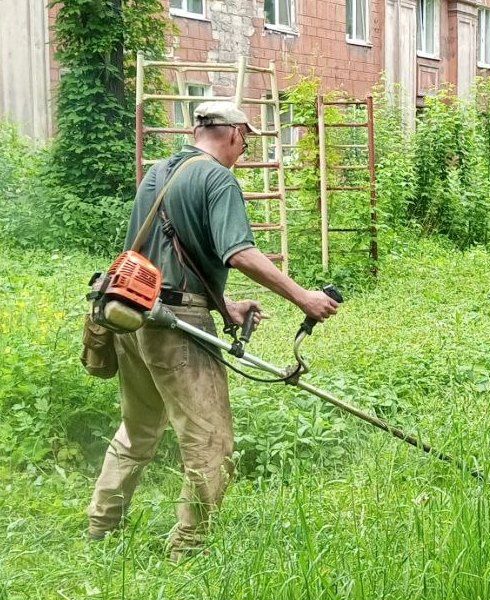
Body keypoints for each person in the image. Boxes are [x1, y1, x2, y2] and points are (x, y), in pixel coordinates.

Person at [86, 101, 339, 560]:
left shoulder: (158, 173)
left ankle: (102, 526)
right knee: (211, 444)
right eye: (247, 141)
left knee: (138, 430)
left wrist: (224, 304)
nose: (244, 151)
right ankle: (189, 549)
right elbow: (239, 253)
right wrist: (304, 297)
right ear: (235, 134)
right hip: (176, 329)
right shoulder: (218, 178)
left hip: (131, 315)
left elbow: (151, 257)